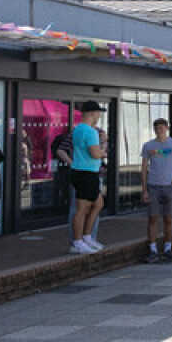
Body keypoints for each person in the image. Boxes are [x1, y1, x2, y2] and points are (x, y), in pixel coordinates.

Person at [140, 118, 172, 263]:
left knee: (169, 218)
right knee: (153, 218)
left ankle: (168, 248)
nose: (159, 130)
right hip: (153, 186)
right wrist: (144, 189)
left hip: (168, 187)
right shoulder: (148, 146)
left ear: (167, 128)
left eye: (162, 128)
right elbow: (144, 168)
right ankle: (153, 250)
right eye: (157, 128)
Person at [66, 101, 107, 255]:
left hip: (82, 171)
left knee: (98, 203)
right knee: (82, 209)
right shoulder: (91, 132)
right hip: (86, 172)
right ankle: (78, 241)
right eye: (98, 113)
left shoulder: (77, 129)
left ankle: (87, 236)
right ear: (91, 113)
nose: (99, 116)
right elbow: (95, 154)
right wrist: (104, 150)